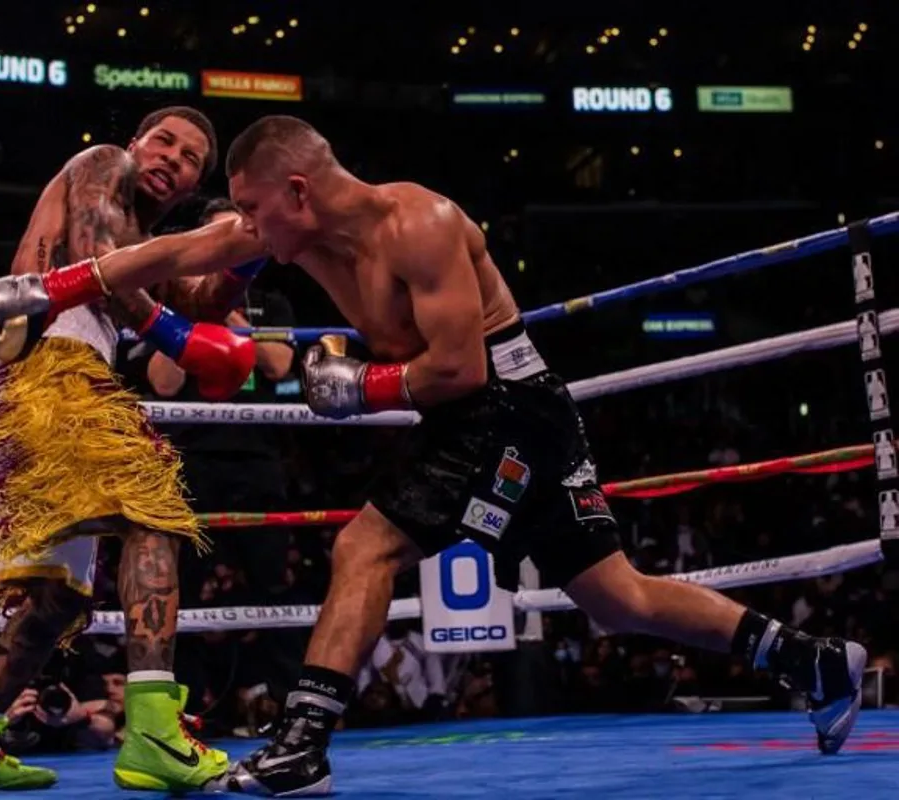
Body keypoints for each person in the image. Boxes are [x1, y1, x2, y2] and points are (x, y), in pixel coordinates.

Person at [215, 115, 868, 795]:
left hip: (503, 404)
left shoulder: (420, 223)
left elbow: (461, 371)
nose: (248, 228)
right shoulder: (300, 238)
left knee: (366, 547)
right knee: (619, 599)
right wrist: (107, 283)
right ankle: (813, 661)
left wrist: (359, 387)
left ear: (297, 191)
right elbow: (186, 256)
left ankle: (302, 747)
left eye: (252, 209)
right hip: (508, 417)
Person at [0, 106, 267, 795]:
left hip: (25, 382)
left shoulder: (146, 237)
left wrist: (250, 250)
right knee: (154, 518)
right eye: (165, 141)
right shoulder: (102, 164)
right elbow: (93, 261)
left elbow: (193, 296)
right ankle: (151, 731)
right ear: (138, 141)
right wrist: (172, 336)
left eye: (192, 157)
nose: (173, 158)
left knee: (56, 601)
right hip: (51, 368)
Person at [136, 197, 303, 727]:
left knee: (273, 580)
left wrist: (225, 312)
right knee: (181, 580)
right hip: (189, 459)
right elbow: (161, 383)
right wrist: (188, 320)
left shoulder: (270, 303)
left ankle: (284, 700)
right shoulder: (167, 309)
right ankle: (179, 709)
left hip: (256, 457)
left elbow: (279, 365)